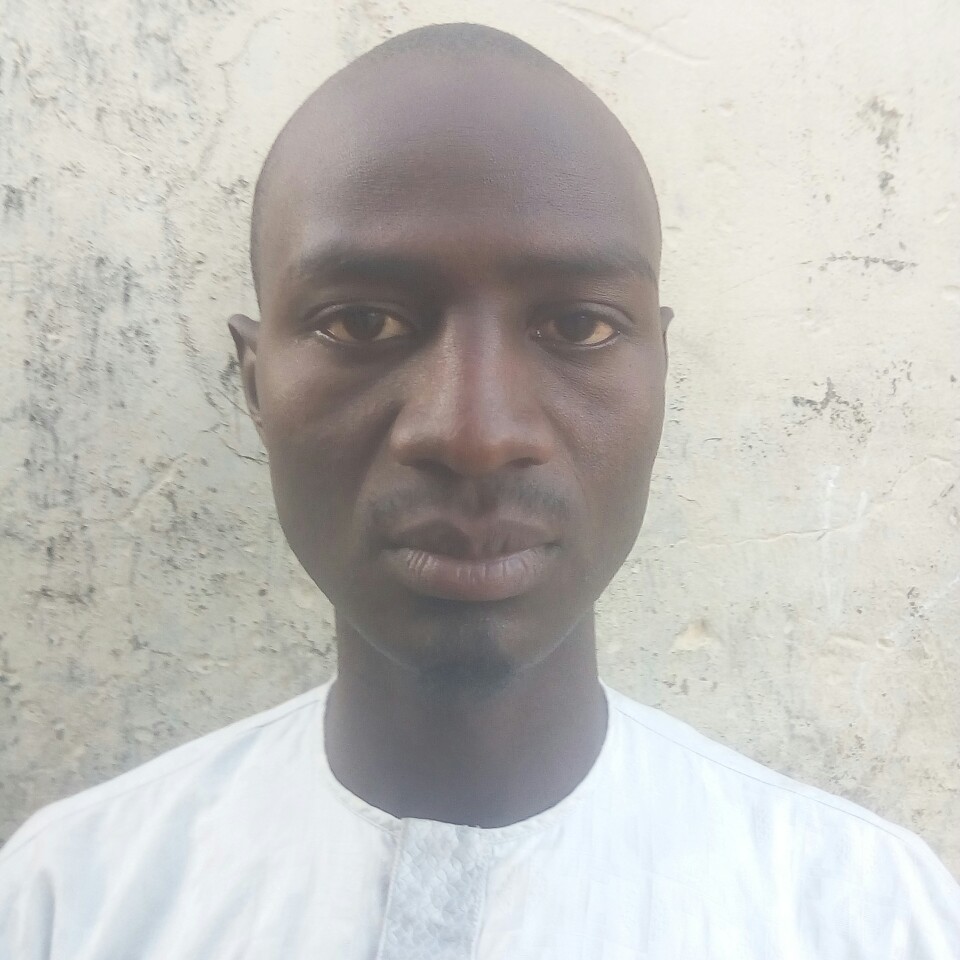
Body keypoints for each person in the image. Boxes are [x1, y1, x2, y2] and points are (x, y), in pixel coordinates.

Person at [1, 22, 957, 959]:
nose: (474, 434)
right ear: (255, 384)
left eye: (578, 326)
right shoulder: (66, 901)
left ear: (660, 372)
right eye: (363, 322)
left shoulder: (870, 918)